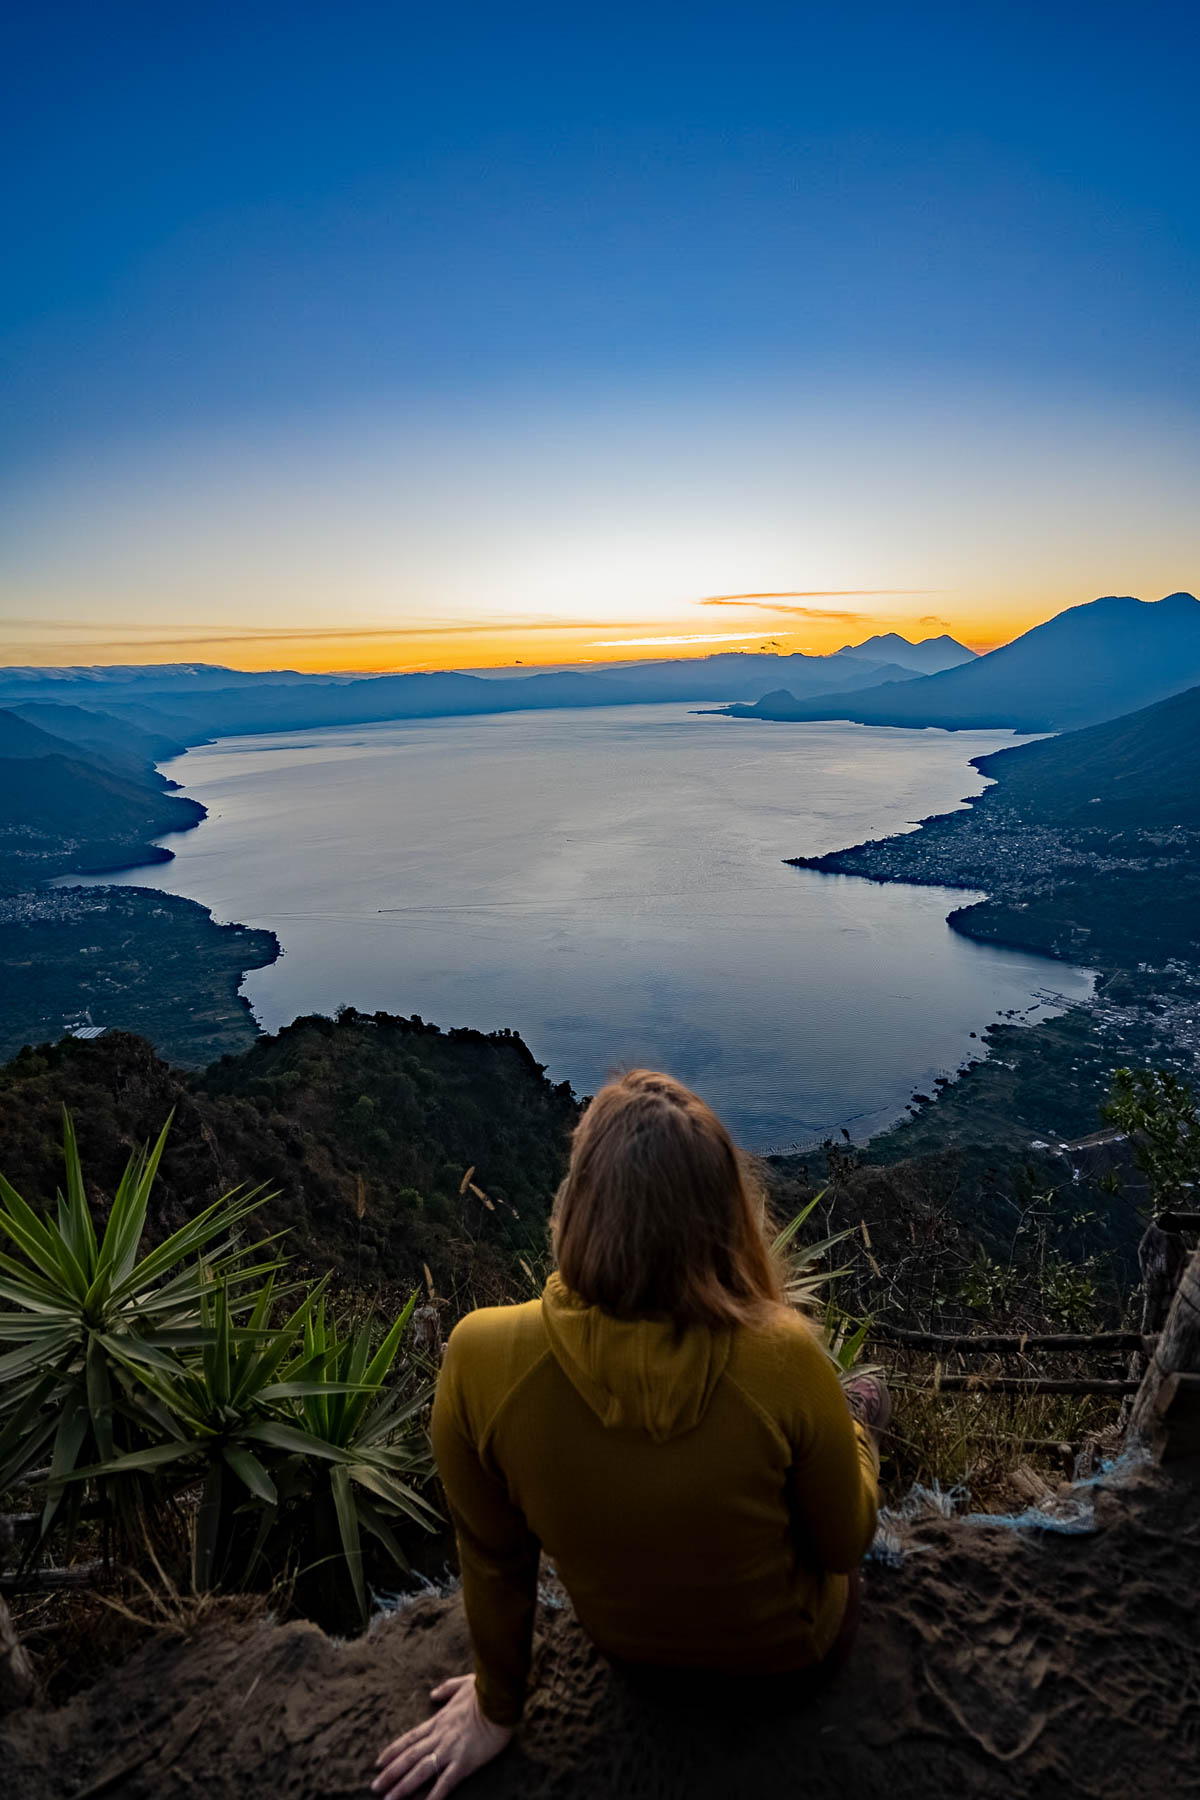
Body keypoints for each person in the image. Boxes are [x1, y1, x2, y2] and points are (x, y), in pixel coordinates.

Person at [373, 1070, 887, 1800]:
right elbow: (843, 1546)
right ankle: (860, 1413)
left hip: (631, 1661)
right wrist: (858, 1440)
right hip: (793, 1665)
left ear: (578, 1203)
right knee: (856, 1404)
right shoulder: (783, 1357)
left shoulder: (481, 1358)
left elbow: (494, 1558)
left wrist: (497, 1707)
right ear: (722, 1212)